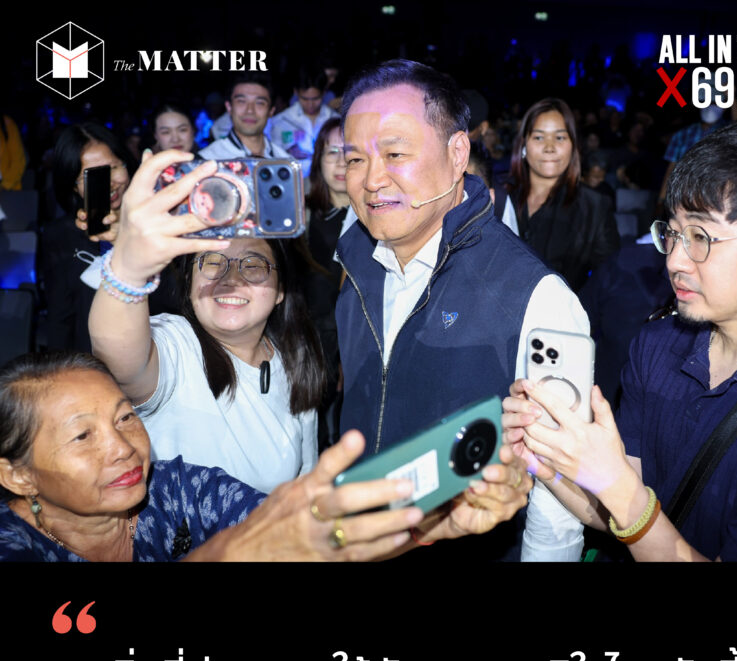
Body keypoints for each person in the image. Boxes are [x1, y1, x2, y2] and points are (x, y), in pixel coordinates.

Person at [505, 119, 737, 562]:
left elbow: (626, 496)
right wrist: (545, 457)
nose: (674, 260)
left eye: (701, 237)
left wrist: (621, 490)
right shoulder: (657, 345)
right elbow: (615, 509)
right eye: (673, 233)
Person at [336, 60, 588, 560]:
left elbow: (557, 496)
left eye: (395, 154)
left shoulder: (535, 295)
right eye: (355, 159)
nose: (372, 179)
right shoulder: (356, 266)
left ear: (457, 154)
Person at [0, 352, 531, 561]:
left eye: (125, 418)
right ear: (17, 475)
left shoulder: (178, 489)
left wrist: (431, 521)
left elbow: (313, 537)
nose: (122, 448)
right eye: (82, 437)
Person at [88, 150, 325, 494]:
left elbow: (306, 486)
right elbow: (118, 355)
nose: (231, 278)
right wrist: (130, 265)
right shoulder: (175, 346)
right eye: (212, 262)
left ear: (280, 291)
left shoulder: (294, 361)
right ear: (189, 282)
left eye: (253, 265)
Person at [507, 98, 619, 292]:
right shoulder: (500, 198)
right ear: (524, 145)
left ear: (573, 147)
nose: (549, 147)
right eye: (539, 137)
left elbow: (609, 281)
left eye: (559, 138)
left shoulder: (594, 207)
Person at [41, 123, 133, 352]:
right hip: (91, 358)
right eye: (92, 176)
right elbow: (60, 317)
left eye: (113, 168)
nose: (108, 183)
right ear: (73, 186)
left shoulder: (153, 224)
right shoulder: (60, 235)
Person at [304, 117, 350, 449]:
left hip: (350, 341)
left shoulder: (378, 217)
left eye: (350, 152)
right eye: (332, 151)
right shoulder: (300, 213)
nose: (341, 162)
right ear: (318, 159)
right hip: (306, 340)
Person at [199, 74, 289, 161]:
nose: (250, 110)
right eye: (241, 101)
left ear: (271, 111)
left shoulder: (285, 161)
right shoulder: (208, 159)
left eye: (259, 103)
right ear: (229, 107)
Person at [268, 69, 335, 178]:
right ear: (296, 92)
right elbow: (272, 157)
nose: (310, 104)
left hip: (326, 180)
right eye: (305, 99)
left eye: (316, 98)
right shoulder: (282, 121)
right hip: (294, 180)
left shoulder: (334, 119)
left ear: (324, 93)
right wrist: (287, 153)